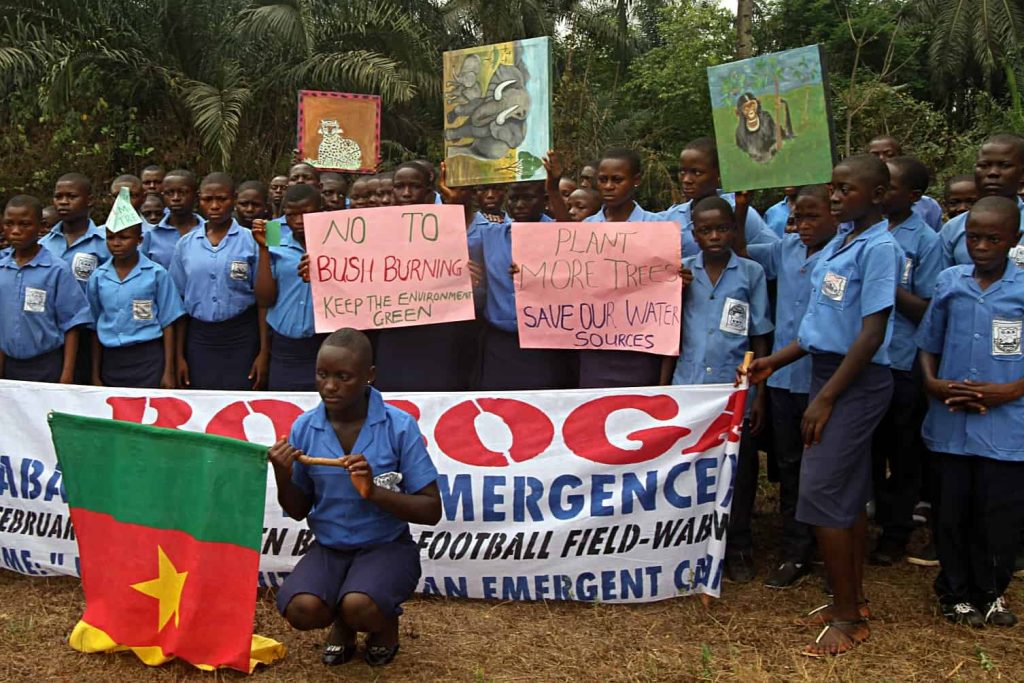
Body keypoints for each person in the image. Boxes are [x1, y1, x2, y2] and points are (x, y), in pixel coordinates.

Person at [741, 155, 902, 656]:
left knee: (823, 491)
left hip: (855, 380)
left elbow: (870, 334)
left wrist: (827, 399)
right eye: (833, 188)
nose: (835, 197)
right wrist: (775, 361)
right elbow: (819, 326)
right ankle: (850, 598)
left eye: (846, 190)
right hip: (823, 370)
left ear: (877, 195)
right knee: (846, 492)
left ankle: (848, 619)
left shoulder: (880, 248)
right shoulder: (842, 242)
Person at [269, 329, 441, 667]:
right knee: (302, 609)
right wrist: (282, 472)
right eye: (322, 374)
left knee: (360, 605)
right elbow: (298, 508)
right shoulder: (305, 427)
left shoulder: (398, 426)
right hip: (331, 548)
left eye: (343, 377)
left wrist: (373, 492)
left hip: (386, 546)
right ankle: (342, 623)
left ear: (369, 376)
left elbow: (431, 509)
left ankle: (382, 623)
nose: (329, 386)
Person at [916, 195, 1024, 628]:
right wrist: (932, 382)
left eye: (992, 238)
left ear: (1012, 240)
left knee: (997, 513)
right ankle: (955, 591)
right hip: (951, 421)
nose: (981, 246)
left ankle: (992, 591)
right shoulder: (949, 282)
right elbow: (929, 344)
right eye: (974, 237)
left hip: (1006, 423)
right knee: (952, 509)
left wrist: (1008, 390)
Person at [672, 196, 772, 583]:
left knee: (740, 470)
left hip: (735, 390)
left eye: (722, 228)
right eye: (705, 230)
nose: (714, 236)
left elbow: (760, 334)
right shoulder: (682, 274)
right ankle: (692, 544)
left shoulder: (750, 273)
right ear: (694, 233)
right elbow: (666, 328)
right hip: (690, 388)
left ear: (734, 229)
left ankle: (739, 545)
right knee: (692, 467)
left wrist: (758, 392)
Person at [745, 185, 837, 589]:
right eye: (797, 218)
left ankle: (833, 549)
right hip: (782, 380)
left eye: (813, 217)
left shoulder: (843, 256)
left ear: (835, 214)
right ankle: (794, 549)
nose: (803, 226)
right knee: (789, 465)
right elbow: (742, 253)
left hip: (826, 380)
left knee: (829, 470)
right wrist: (741, 207)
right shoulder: (785, 249)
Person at [869, 156, 943, 566]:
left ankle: (896, 533)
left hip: (901, 361)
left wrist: (886, 284)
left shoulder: (926, 242)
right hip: (865, 361)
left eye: (890, 187)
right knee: (870, 449)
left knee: (902, 449)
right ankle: (873, 516)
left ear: (913, 196)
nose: (881, 194)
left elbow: (929, 309)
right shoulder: (861, 231)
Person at [579, 148, 680, 388]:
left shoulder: (659, 227)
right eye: (603, 180)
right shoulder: (585, 228)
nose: (609, 186)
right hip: (596, 348)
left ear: (636, 181)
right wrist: (533, 275)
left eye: (617, 180)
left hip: (642, 348)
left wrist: (681, 276)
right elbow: (568, 277)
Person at [477, 173, 575, 390]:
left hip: (547, 344)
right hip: (501, 345)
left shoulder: (561, 234)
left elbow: (573, 246)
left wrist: (541, 271)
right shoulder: (491, 234)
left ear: (544, 200)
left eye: (528, 198)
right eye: (513, 198)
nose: (519, 204)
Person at [170, 172, 267, 390]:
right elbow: (178, 304)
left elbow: (263, 302)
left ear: (233, 199)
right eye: (207, 199)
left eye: (222, 199)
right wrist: (178, 356)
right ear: (199, 199)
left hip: (242, 335)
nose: (215, 206)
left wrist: (263, 352)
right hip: (199, 338)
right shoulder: (185, 245)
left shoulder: (252, 241)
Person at [86, 205, 183, 388]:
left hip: (148, 358)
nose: (116, 243)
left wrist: (168, 371)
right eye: (111, 237)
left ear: (139, 240)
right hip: (111, 359)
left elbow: (169, 323)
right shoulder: (98, 277)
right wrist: (95, 374)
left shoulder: (156, 274)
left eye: (124, 238)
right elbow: (94, 326)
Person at [0, 195, 92, 382]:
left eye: (24, 224)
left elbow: (72, 324)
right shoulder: (2, 268)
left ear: (41, 226)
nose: (15, 231)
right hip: (9, 365)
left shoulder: (56, 270)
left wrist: (67, 373)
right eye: (9, 224)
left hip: (46, 365)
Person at [254, 184, 324, 391]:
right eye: (291, 215)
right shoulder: (275, 238)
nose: (299, 221)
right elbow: (265, 300)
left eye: (306, 214)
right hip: (285, 348)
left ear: (320, 212)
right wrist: (264, 250)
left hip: (324, 346)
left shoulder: (337, 245)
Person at [660, 138, 779, 258]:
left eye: (697, 173)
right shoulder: (672, 218)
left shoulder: (740, 211)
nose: (686, 180)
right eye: (682, 172)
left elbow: (775, 256)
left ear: (718, 174)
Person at [939, 135, 1024, 267]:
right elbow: (939, 283)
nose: (993, 173)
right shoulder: (952, 229)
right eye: (984, 165)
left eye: (1004, 165)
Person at [42, 173, 110, 287]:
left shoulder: (106, 243)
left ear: (90, 200)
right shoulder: (43, 245)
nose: (63, 202)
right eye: (58, 197)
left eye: (72, 196)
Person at [867, 135, 943, 230]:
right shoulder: (859, 202)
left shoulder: (928, 206)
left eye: (889, 154)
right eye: (874, 155)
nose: (881, 159)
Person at [142, 169, 205, 270]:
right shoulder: (152, 235)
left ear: (196, 196)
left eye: (183, 192)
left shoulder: (208, 232)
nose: (175, 198)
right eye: (169, 193)